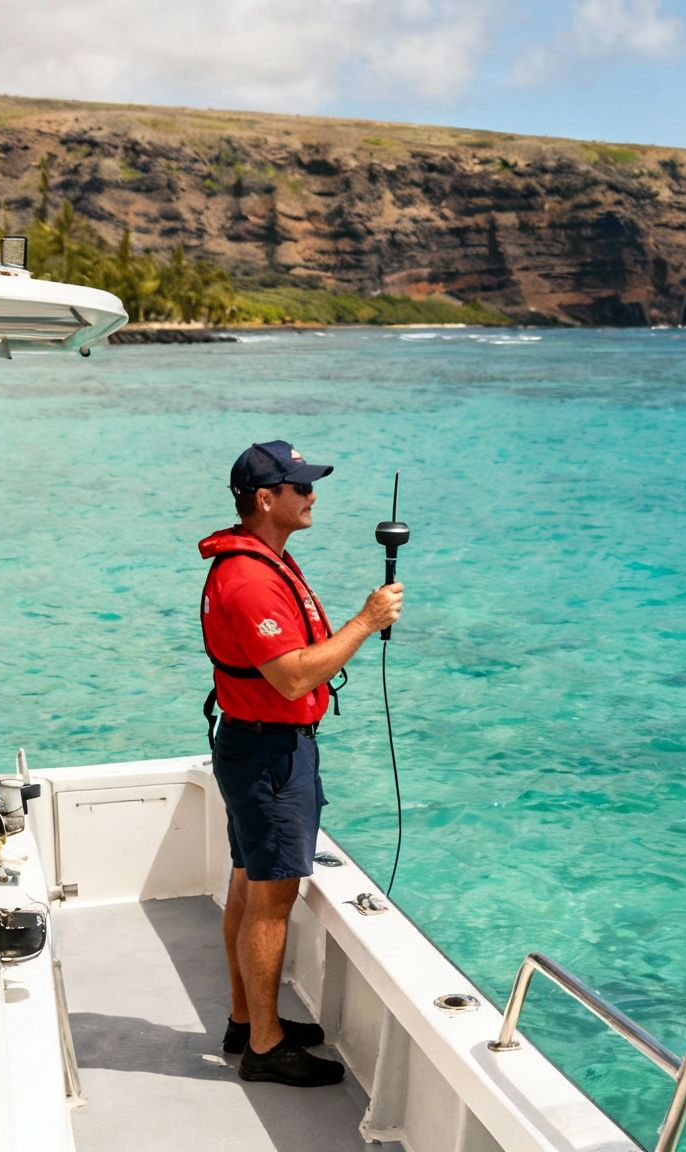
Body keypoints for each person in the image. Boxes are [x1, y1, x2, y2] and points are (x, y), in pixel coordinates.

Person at [198, 440, 403, 1088]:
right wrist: (366, 621)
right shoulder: (251, 579)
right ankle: (264, 1045)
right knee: (271, 899)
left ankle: (246, 1019)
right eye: (301, 487)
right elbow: (290, 677)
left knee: (248, 878)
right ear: (267, 499)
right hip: (269, 754)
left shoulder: (262, 561)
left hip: (252, 744)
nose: (313, 496)